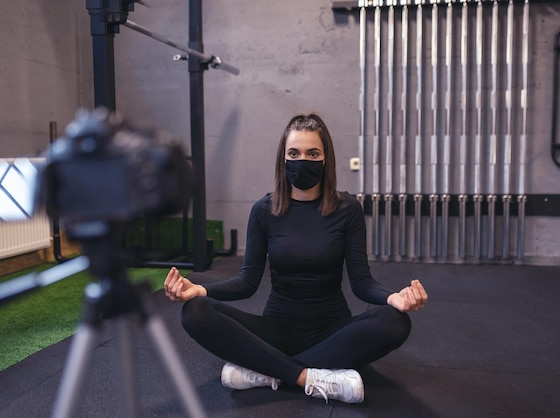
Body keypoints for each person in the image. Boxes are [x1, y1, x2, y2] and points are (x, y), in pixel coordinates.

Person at [164, 113, 428, 404]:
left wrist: (393, 298)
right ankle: (309, 378)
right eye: (294, 153)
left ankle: (267, 372)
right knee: (195, 312)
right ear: (283, 158)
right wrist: (200, 290)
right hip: (276, 329)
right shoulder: (264, 210)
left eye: (312, 153)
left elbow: (362, 281)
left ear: (325, 159)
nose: (303, 160)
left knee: (396, 323)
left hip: (332, 331)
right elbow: (247, 281)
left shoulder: (347, 209)